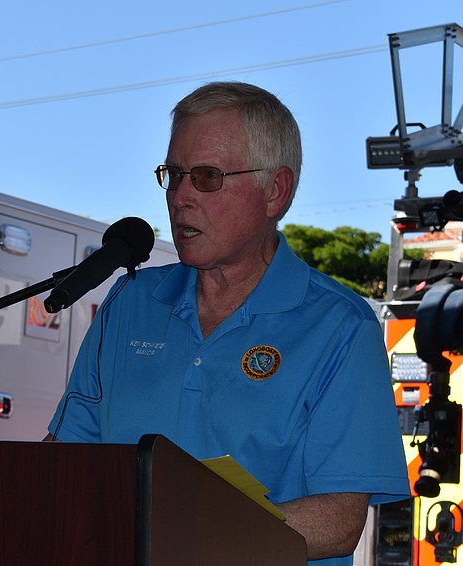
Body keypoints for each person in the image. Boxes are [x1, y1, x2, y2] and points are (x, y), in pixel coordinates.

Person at [45, 81, 410, 565]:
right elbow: (65, 460)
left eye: (207, 177)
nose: (180, 197)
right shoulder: (131, 303)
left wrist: (181, 535)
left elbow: (339, 521)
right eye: (173, 175)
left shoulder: (340, 326)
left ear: (275, 191)